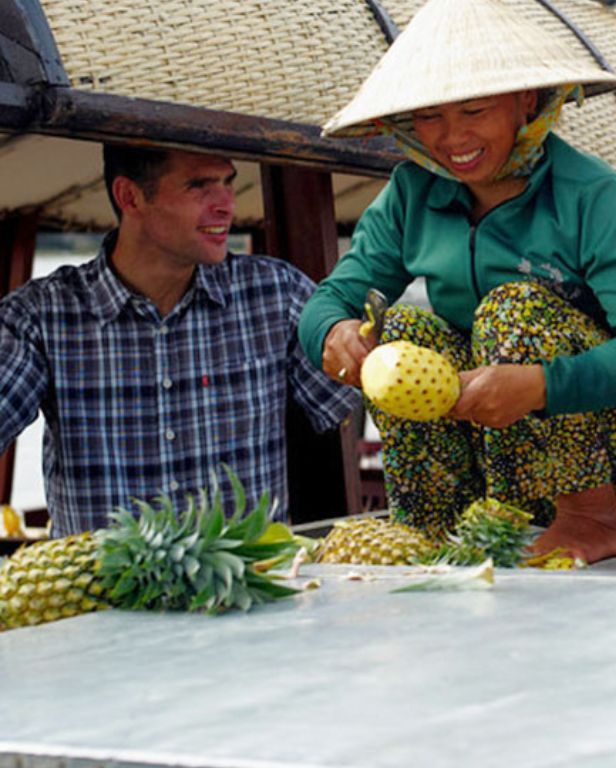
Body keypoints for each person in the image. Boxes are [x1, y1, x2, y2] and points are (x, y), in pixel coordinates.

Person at [299, 0, 616, 564]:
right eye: (429, 117)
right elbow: (334, 296)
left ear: (526, 101)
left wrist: (539, 385)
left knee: (512, 309)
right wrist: (333, 332)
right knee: (400, 333)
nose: (451, 138)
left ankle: (589, 517)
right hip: (502, 459)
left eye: (473, 110)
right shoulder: (410, 194)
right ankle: (431, 524)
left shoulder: (592, 194)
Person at [0, 145, 361, 537]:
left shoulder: (276, 293)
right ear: (130, 197)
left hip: (251, 592)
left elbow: (372, 392)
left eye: (227, 183)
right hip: (109, 595)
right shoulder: (41, 314)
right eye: (200, 186)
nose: (227, 205)